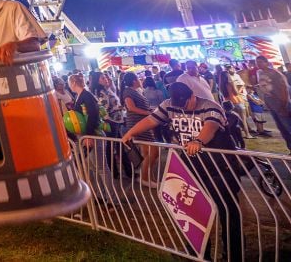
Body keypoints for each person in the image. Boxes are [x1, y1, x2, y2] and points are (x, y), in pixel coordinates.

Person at [123, 82, 242, 262]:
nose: (182, 109)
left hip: (220, 167)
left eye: (185, 105)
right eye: (178, 107)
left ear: (192, 96)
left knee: (227, 211)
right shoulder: (169, 105)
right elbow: (151, 120)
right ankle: (197, 253)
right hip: (192, 165)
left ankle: (233, 255)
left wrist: (199, 141)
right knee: (192, 211)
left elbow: (211, 126)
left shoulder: (210, 106)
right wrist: (130, 133)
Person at [120, 72, 157, 185]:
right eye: (139, 78)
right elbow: (131, 107)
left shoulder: (136, 91)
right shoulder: (128, 92)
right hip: (139, 124)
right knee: (154, 152)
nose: (141, 80)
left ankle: (147, 176)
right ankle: (145, 178)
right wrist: (148, 113)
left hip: (142, 123)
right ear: (134, 81)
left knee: (147, 153)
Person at [255, 55, 291, 152]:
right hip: (272, 106)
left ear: (266, 62)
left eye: (260, 62)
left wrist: (283, 105)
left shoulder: (275, 73)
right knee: (283, 129)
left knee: (288, 127)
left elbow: (284, 89)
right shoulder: (260, 73)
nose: (258, 64)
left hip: (281, 105)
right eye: (256, 62)